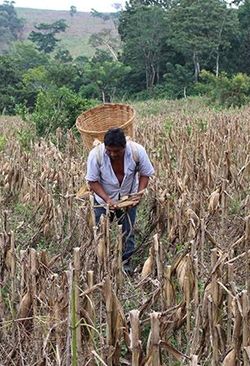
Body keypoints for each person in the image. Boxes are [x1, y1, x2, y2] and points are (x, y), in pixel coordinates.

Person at [86, 127, 154, 272]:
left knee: (128, 233)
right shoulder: (95, 155)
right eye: (109, 150)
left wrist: (139, 194)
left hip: (128, 199)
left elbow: (145, 174)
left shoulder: (137, 151)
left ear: (124, 147)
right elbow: (92, 181)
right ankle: (102, 264)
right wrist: (107, 199)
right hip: (102, 201)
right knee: (100, 232)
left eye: (116, 151)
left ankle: (126, 264)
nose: (112, 154)